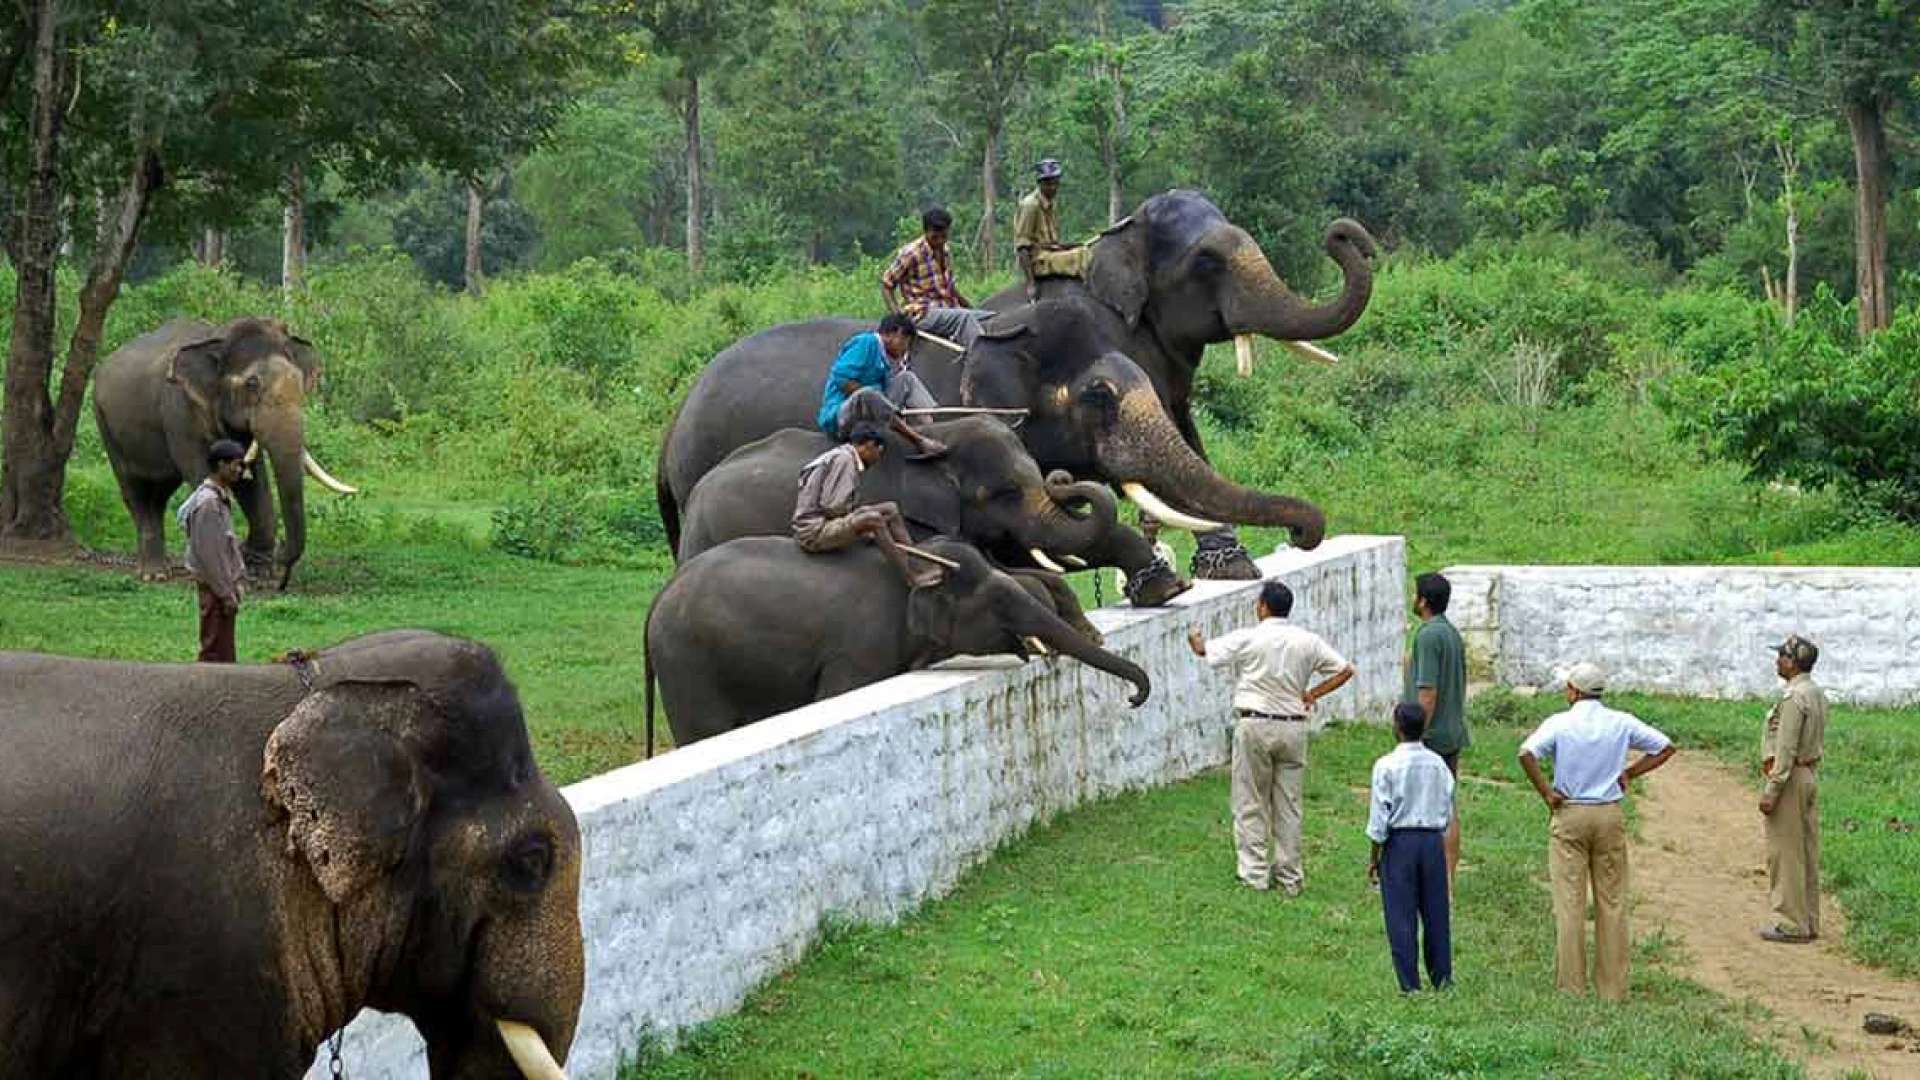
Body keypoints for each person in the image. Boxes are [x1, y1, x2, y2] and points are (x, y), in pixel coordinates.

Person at [1517, 661, 1676, 1001]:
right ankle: (1612, 987)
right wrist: (1630, 773)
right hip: (1608, 814)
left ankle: (1571, 985)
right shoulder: (1621, 721)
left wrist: (1546, 792)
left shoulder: (1560, 722)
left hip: (1570, 813)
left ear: (1573, 691)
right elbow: (1665, 747)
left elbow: (1526, 753)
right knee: (1612, 901)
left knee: (1569, 903)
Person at [1187, 580, 1355, 894]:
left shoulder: (1249, 637)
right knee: (1288, 804)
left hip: (1255, 723)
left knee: (1250, 799)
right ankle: (1290, 876)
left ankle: (1254, 874)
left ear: (1262, 606)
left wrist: (1194, 634)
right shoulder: (1308, 641)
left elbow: (1202, 650)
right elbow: (1345, 670)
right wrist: (1312, 694)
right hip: (1293, 725)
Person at [1367, 702, 1456, 993]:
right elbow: (1448, 806)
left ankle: (1410, 984)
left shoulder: (1386, 765)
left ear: (1397, 727)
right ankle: (1442, 978)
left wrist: (1374, 857)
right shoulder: (1438, 764)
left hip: (1400, 842)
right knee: (1436, 912)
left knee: (1400, 915)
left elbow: (1379, 818)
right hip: (1431, 841)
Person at [792, 424, 943, 589]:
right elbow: (833, 506)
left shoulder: (842, 455)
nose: (878, 458)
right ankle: (910, 577)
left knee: (890, 508)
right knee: (873, 519)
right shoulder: (845, 460)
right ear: (869, 445)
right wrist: (859, 521)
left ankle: (916, 562)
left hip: (825, 521)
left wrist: (857, 514)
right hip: (814, 531)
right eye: (879, 452)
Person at [1759, 634, 1828, 944]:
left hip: (1790, 780)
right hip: (1808, 774)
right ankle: (1808, 920)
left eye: (1781, 657)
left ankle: (1790, 922)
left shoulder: (1793, 699)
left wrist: (1772, 790)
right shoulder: (1815, 693)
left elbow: (1785, 749)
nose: (1777, 662)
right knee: (1806, 851)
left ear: (1792, 662)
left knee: (1785, 853)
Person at [1404, 571, 1468, 892]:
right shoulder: (1451, 633)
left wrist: (1414, 735)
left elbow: (1427, 693)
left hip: (1430, 736)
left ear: (1423, 601)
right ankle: (1446, 879)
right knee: (1447, 805)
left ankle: (1432, 878)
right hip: (1451, 732)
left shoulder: (1428, 635)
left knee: (1424, 808)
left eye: (1415, 594)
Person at [818, 312, 949, 460]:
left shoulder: (885, 358)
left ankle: (932, 423)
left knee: (906, 378)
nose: (906, 349)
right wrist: (881, 403)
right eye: (906, 342)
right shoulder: (866, 343)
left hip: (872, 413)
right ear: (895, 334)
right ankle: (919, 441)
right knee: (868, 394)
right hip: (842, 417)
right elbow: (842, 378)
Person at [881, 206, 995, 348]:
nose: (940, 241)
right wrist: (897, 316)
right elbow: (886, 284)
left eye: (944, 236)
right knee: (965, 318)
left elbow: (950, 289)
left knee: (990, 316)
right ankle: (982, 355)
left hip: (948, 309)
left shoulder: (945, 251)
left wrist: (972, 308)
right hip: (923, 312)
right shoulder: (911, 253)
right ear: (926, 231)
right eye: (935, 236)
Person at [179, 439, 249, 663]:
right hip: (215, 587)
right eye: (236, 464)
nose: (240, 470)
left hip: (221, 585)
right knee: (214, 649)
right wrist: (225, 593)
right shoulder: (209, 503)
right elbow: (210, 555)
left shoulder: (219, 497)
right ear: (221, 465)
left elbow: (225, 545)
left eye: (241, 465)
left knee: (223, 647)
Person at [1013, 158, 1091, 301]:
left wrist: (1069, 246)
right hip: (1039, 260)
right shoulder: (1030, 206)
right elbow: (1022, 246)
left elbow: (1050, 242)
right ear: (1040, 183)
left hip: (1051, 253)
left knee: (1085, 248)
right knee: (1082, 256)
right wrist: (1031, 283)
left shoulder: (1051, 204)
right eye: (1048, 184)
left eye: (1055, 183)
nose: (1053, 188)